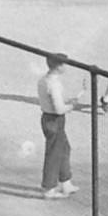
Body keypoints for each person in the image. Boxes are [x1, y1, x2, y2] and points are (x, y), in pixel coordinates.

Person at [38, 54, 80, 199]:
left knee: (63, 148)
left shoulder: (44, 79)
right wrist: (72, 106)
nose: (66, 66)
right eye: (65, 64)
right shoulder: (54, 84)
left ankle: (65, 182)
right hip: (55, 120)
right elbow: (59, 109)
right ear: (59, 66)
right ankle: (49, 188)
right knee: (54, 154)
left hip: (48, 118)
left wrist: (67, 101)